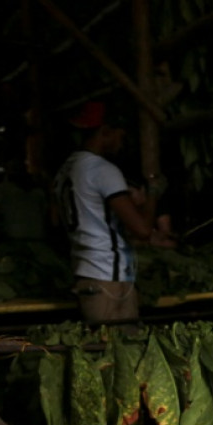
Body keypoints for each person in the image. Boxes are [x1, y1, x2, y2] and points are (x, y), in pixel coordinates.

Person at [52, 101, 172, 325]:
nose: (121, 142)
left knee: (102, 353)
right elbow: (143, 230)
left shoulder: (66, 170)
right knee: (122, 353)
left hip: (86, 273)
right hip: (108, 279)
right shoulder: (102, 170)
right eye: (120, 135)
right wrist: (153, 193)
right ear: (106, 132)